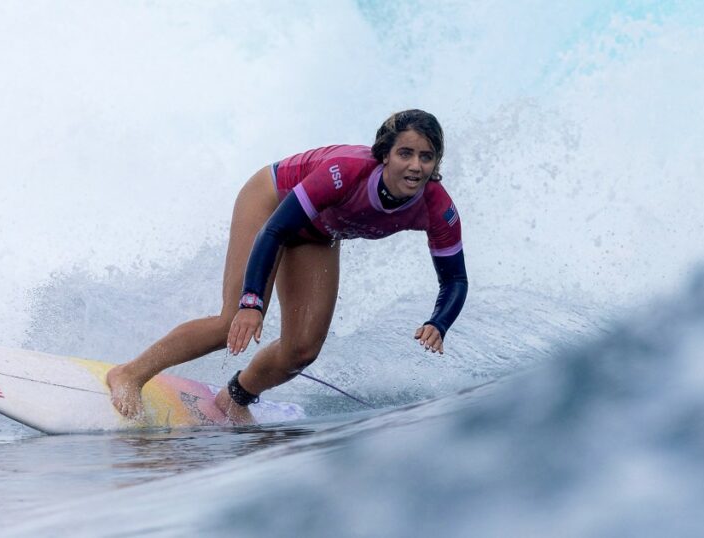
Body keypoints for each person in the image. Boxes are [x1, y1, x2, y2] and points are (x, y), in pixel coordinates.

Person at [107, 109, 468, 424]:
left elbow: (454, 279)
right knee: (231, 321)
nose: (416, 166)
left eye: (427, 156)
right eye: (405, 153)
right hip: (272, 203)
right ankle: (130, 373)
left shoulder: (437, 208)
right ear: (384, 155)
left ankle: (234, 399)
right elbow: (276, 229)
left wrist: (439, 322)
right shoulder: (347, 172)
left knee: (302, 350)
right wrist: (252, 304)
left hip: (318, 232)